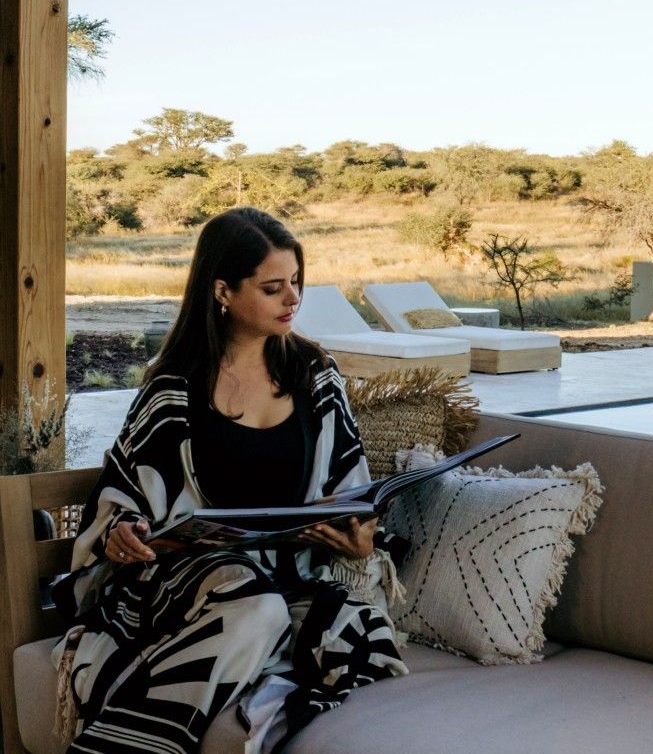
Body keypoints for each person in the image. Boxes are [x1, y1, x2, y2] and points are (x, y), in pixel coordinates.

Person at [51, 207, 409, 754]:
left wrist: (359, 541)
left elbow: (353, 493)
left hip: (289, 577)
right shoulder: (173, 390)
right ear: (223, 291)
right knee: (255, 608)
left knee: (307, 622)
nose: (293, 299)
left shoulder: (315, 375)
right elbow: (120, 502)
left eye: (296, 283)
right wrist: (123, 533)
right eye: (272, 288)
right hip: (184, 583)